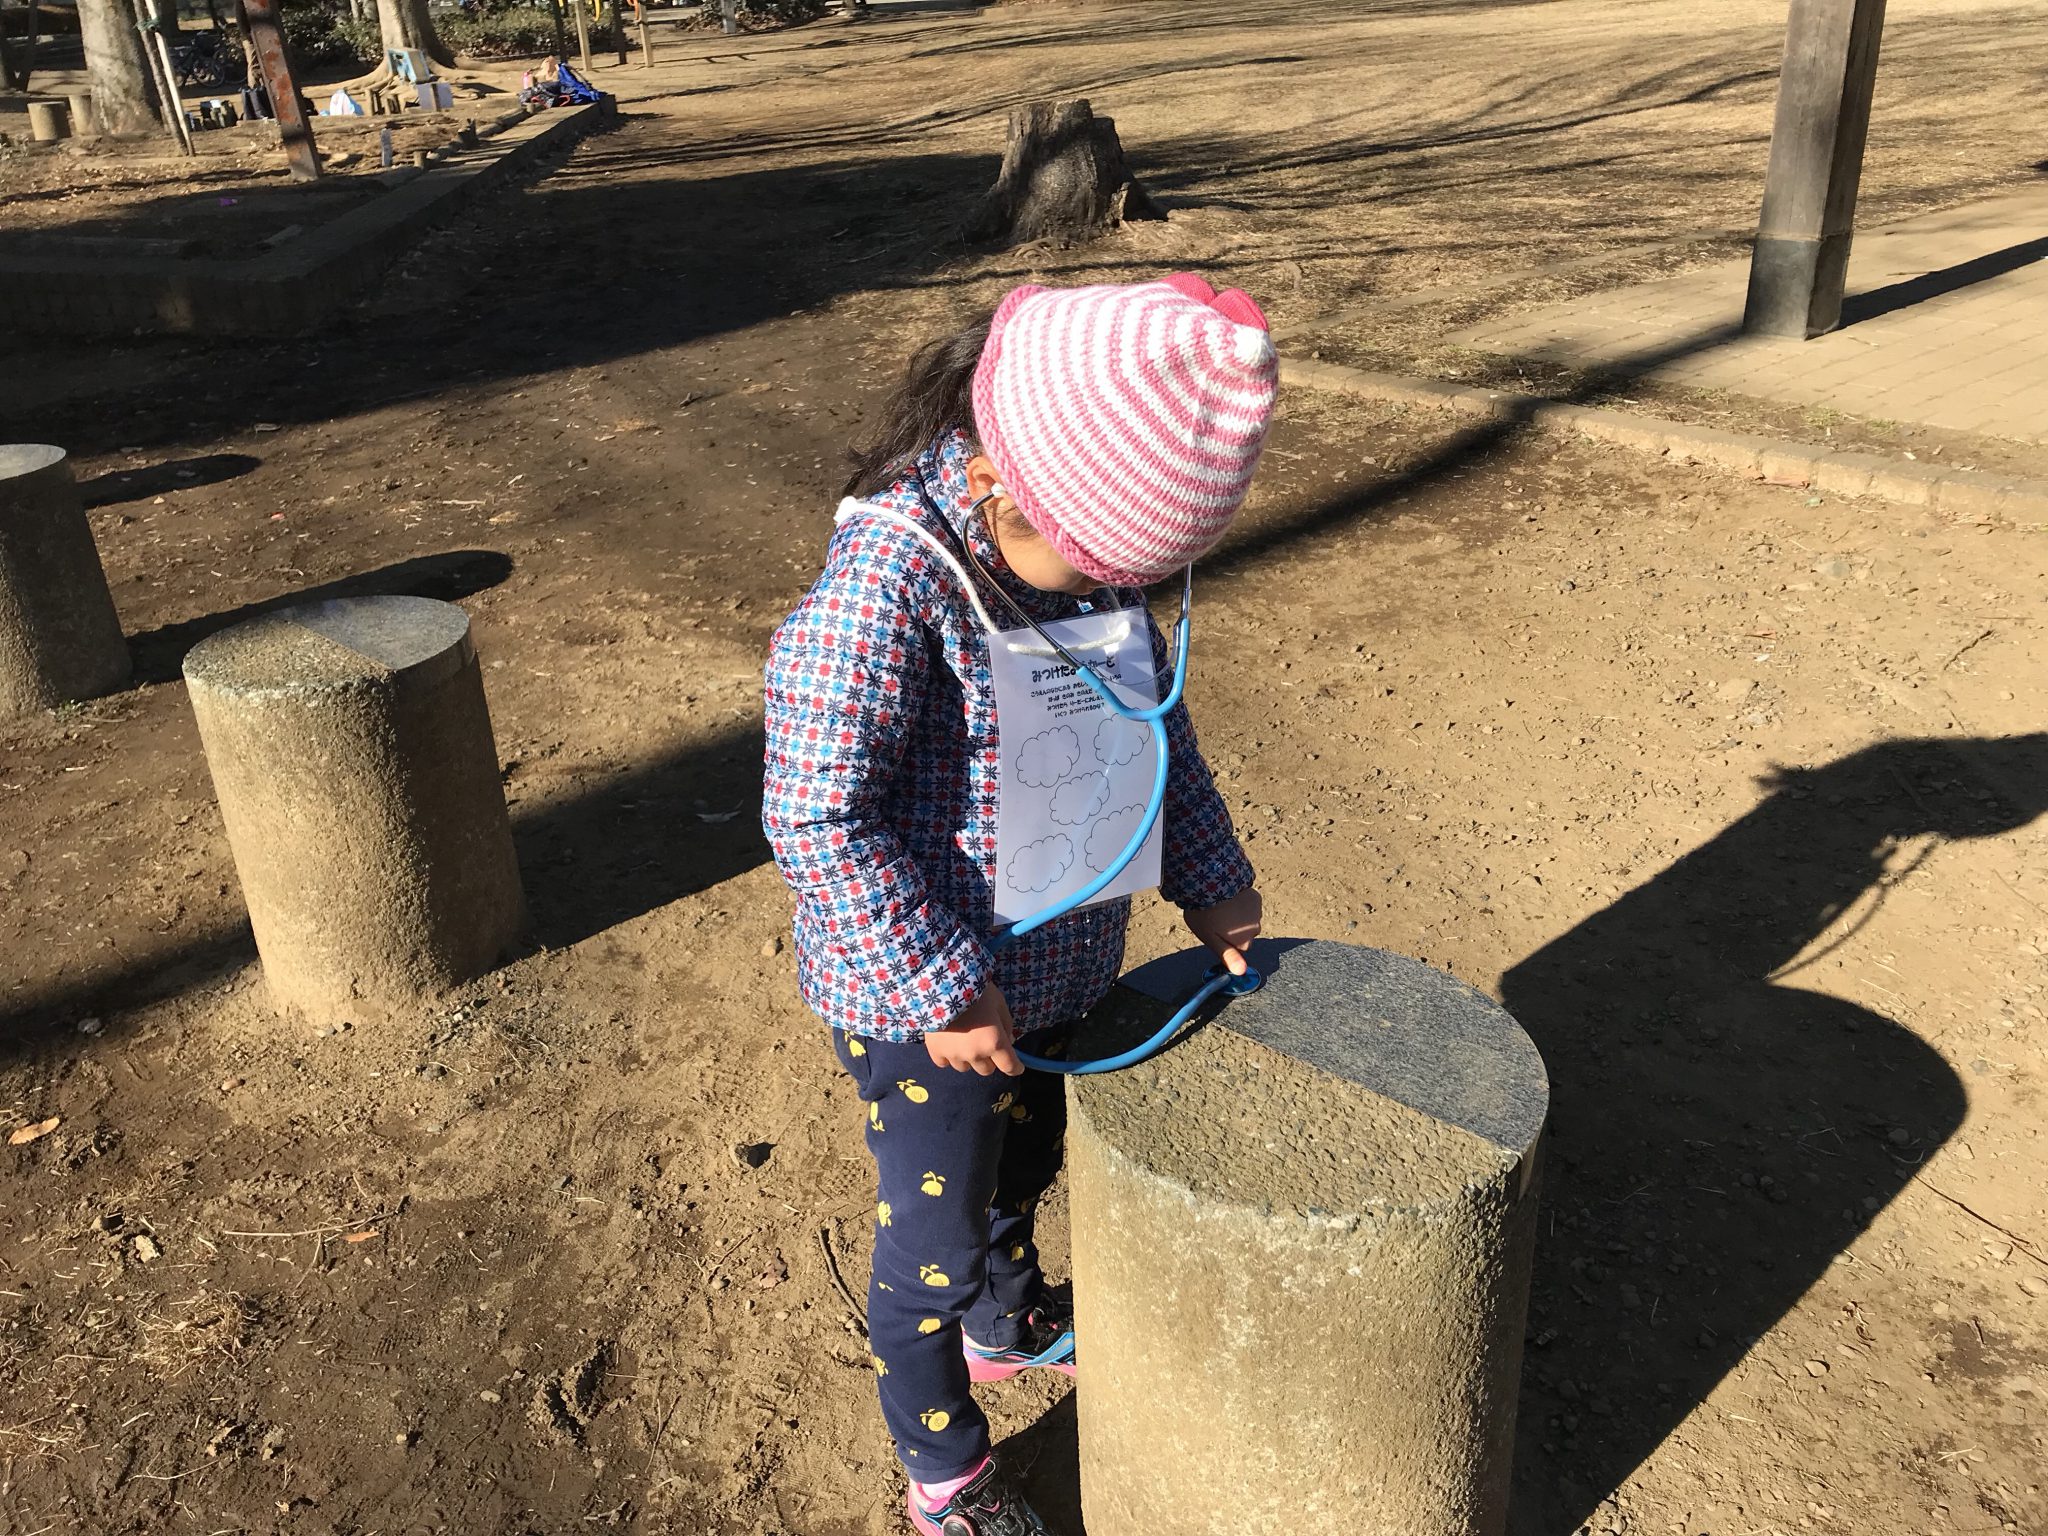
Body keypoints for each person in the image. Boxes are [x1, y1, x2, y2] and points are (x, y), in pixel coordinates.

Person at [762, 274, 1277, 1536]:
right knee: (931, 1238)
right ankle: (943, 1467)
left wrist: (1210, 878)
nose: (1102, 595)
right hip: (924, 1005)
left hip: (1055, 966)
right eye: (1088, 567)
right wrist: (941, 987)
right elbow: (815, 813)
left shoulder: (1086, 562)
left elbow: (1157, 736)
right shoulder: (888, 585)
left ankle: (1004, 1324)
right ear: (998, 483)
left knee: (1028, 1157)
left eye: (1132, 578)